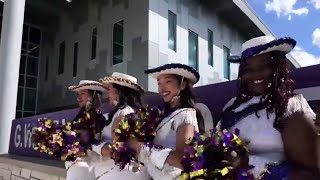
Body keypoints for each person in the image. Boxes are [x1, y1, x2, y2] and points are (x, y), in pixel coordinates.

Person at [217, 35, 320, 179]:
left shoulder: (292, 105)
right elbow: (215, 146)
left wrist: (250, 164)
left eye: (264, 66)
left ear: (279, 66)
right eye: (248, 69)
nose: (255, 74)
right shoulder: (232, 106)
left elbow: (309, 173)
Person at [126, 63, 204, 180]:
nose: (162, 88)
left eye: (168, 82)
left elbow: (184, 160)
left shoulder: (186, 114)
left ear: (182, 85)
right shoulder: (164, 117)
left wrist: (145, 148)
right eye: (159, 83)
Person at [91, 72, 151, 180]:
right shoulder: (128, 112)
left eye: (109, 88)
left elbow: (117, 150)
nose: (107, 93)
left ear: (120, 91)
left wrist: (93, 145)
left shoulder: (123, 113)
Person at [66, 80, 107, 180]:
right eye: (77, 94)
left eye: (82, 93)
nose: (78, 97)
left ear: (93, 96)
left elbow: (94, 142)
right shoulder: (81, 115)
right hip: (75, 167)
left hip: (86, 168)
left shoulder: (96, 117)